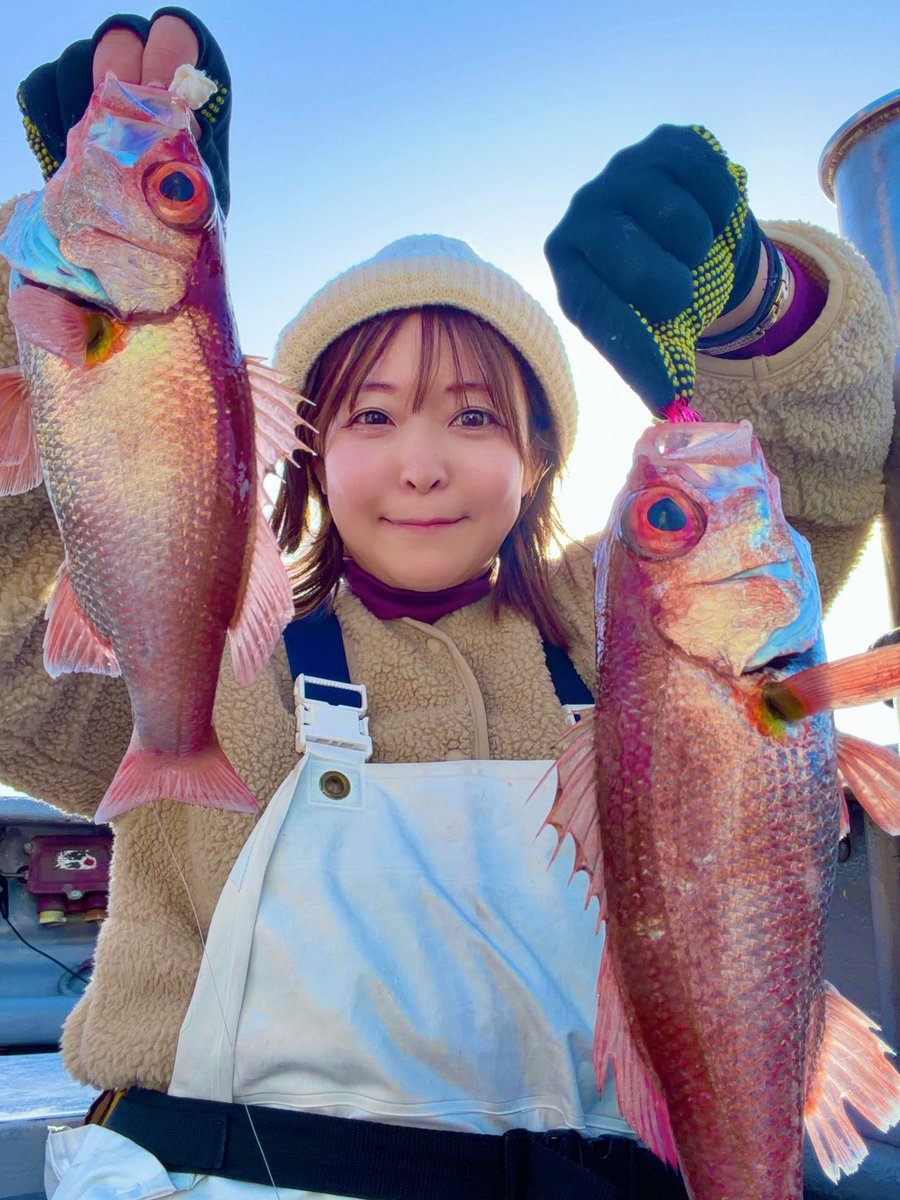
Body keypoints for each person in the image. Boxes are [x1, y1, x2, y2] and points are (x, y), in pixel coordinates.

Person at [0, 9, 894, 1200]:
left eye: (475, 416)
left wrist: (759, 308)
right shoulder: (212, 653)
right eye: (370, 416)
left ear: (539, 458)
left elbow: (809, 465)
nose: (421, 463)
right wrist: (50, 297)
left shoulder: (631, 627)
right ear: (298, 447)